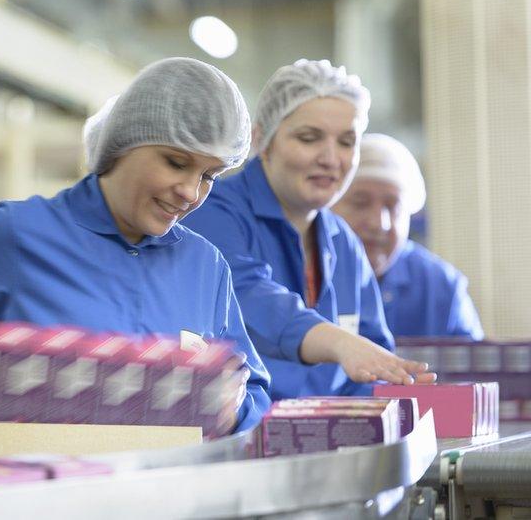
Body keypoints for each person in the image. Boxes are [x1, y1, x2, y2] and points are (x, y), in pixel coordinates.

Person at [0, 57, 272, 433]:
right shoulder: (17, 235)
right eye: (176, 163)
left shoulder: (204, 266)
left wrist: (232, 407)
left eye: (210, 176)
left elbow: (251, 390)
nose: (189, 191)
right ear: (124, 144)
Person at [180, 59, 436, 400]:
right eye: (309, 138)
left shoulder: (341, 241)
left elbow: (372, 354)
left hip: (324, 439)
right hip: (237, 440)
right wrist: (339, 343)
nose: (331, 158)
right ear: (263, 141)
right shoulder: (214, 214)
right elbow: (247, 298)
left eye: (346, 142)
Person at [332, 133, 484, 340]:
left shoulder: (440, 287)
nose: (379, 223)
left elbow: (474, 367)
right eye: (360, 203)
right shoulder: (301, 275)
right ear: (328, 207)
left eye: (393, 207)